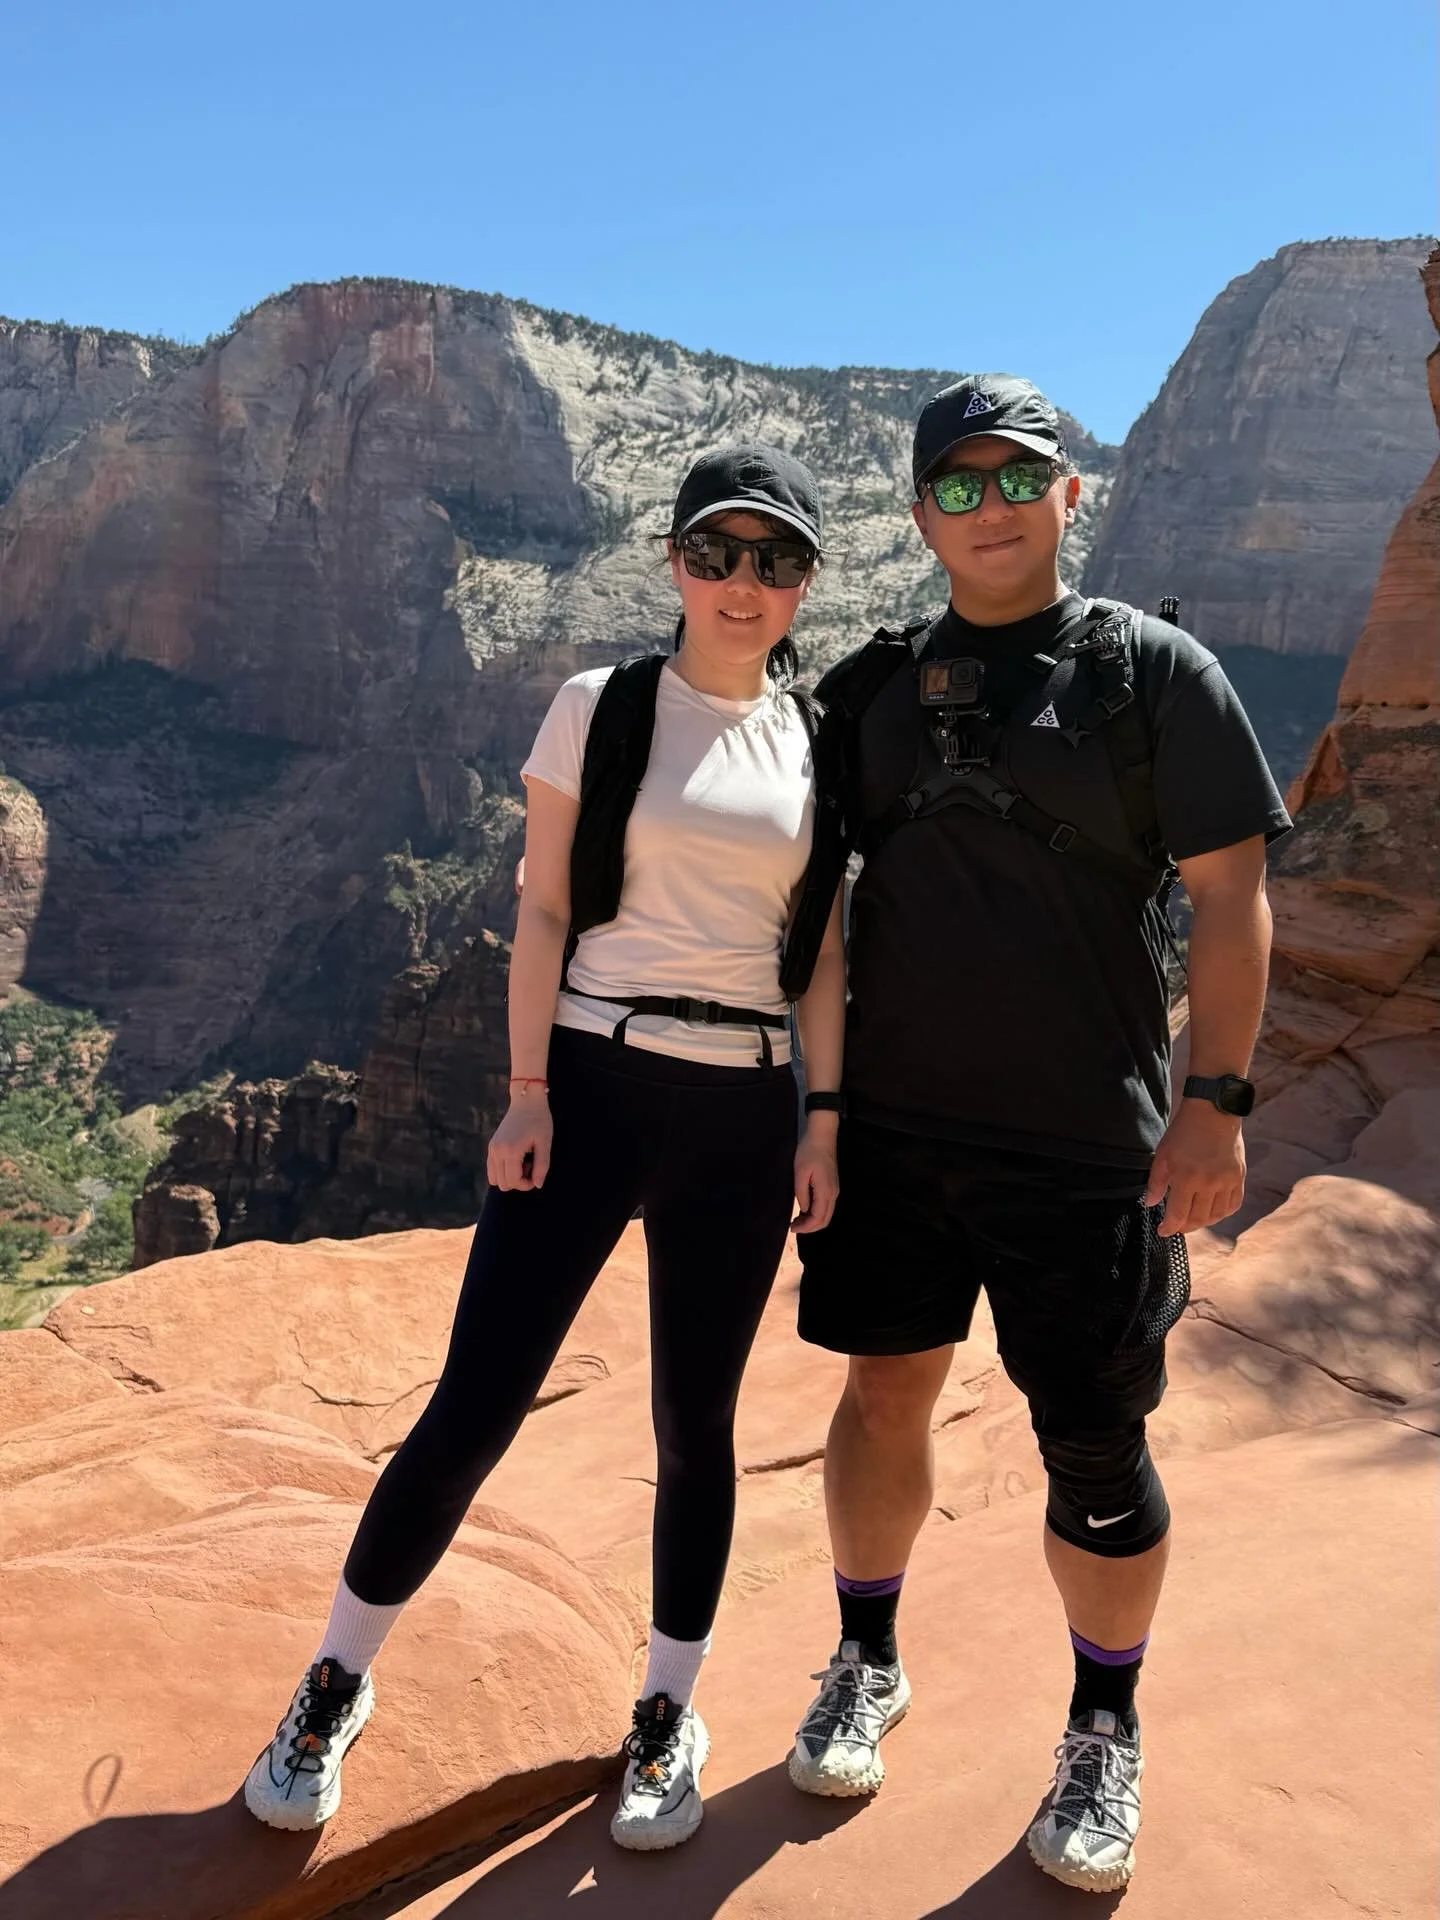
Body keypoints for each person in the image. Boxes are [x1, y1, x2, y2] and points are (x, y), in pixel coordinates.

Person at [244, 443, 847, 1852]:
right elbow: (542, 912)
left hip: (746, 1108)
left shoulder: (823, 744)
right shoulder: (600, 705)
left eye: (775, 561)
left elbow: (823, 954)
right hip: (595, 1080)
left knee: (696, 1427)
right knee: (476, 1403)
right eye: (718, 553)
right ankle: (335, 1681)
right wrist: (527, 1091)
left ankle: (667, 1711)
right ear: (675, 562)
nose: (743, 583)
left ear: (806, 584)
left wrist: (823, 1119)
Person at [788, 376, 1291, 1893]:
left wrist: (1214, 1104)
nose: (991, 506)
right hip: (892, 1134)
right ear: (920, 514)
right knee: (884, 1394)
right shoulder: (871, 691)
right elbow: (811, 915)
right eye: (957, 485)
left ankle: (1103, 1726)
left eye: (1019, 478)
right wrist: (819, 1115)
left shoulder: (1157, 676)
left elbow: (1232, 898)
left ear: (1073, 494)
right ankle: (867, 1655)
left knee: (1092, 1440)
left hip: (1087, 1147)